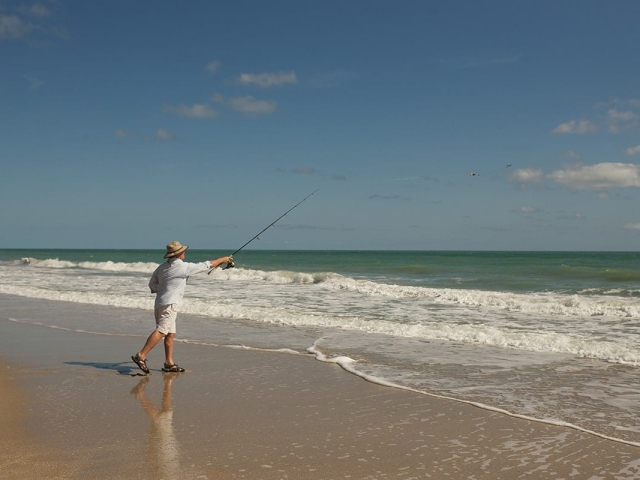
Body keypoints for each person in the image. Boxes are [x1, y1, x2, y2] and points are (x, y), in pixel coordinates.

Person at [132, 241, 232, 374]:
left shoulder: (161, 268)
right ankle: (141, 355)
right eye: (183, 251)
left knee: (170, 333)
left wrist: (163, 290)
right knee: (162, 331)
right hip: (171, 304)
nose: (184, 253)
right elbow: (207, 265)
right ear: (179, 254)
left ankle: (169, 363)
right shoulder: (183, 267)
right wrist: (223, 259)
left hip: (160, 303)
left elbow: (152, 285)